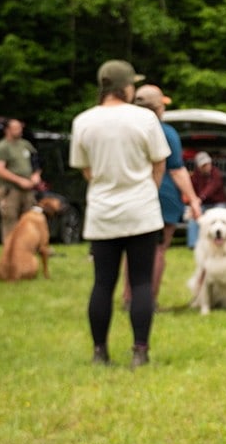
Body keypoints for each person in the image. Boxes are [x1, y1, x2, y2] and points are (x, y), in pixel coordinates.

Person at [69, 60, 171, 369]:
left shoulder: (83, 121)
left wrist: (106, 185)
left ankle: (100, 352)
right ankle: (140, 351)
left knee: (103, 283)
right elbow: (159, 163)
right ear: (124, 87)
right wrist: (146, 191)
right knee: (140, 282)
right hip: (141, 210)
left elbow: (86, 169)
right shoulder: (144, 118)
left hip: (103, 212)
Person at [124, 84, 201, 308]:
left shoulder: (127, 130)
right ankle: (148, 301)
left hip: (132, 196)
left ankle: (129, 299)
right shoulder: (166, 132)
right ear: (158, 108)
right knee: (157, 250)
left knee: (132, 250)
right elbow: (176, 170)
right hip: (163, 197)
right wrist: (194, 199)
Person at [0, 117, 42, 243]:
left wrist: (36, 175)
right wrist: (19, 180)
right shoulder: (2, 147)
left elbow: (36, 161)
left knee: (29, 218)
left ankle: (28, 247)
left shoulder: (25, 144)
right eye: (16, 128)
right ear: (7, 130)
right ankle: (11, 251)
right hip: (10, 189)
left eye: (20, 128)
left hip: (28, 189)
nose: (19, 130)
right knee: (10, 220)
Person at [187, 151, 226, 248]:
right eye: (204, 165)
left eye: (208, 164)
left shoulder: (216, 173)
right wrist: (193, 203)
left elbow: (211, 188)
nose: (207, 166)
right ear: (199, 166)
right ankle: (193, 245)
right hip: (204, 204)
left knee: (219, 216)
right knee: (194, 216)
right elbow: (191, 189)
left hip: (218, 203)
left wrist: (199, 199)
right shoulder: (196, 176)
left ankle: (221, 241)